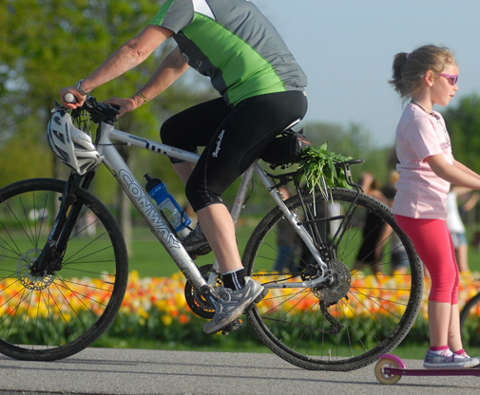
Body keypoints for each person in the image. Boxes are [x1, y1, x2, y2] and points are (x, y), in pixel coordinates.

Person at [60, 0, 308, 335]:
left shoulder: (186, 1)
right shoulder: (197, 8)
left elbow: (136, 50)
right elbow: (179, 60)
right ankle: (209, 228)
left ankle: (237, 286)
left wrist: (82, 88)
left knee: (204, 188)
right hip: (267, 96)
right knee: (175, 132)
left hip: (265, 97)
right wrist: (135, 101)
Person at [389, 45, 480, 368]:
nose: (456, 86)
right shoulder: (416, 119)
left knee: (450, 276)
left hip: (430, 208)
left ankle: (456, 350)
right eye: (452, 79)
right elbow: (441, 168)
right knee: (443, 274)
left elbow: (452, 163)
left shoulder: (433, 118)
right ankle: (438, 351)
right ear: (429, 78)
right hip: (418, 209)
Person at [354, 172, 391, 274]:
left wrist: (366, 181)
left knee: (357, 271)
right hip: (370, 239)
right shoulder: (376, 196)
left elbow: (359, 202)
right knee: (375, 272)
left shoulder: (377, 197)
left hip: (374, 241)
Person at [446, 186, 478, 273]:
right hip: (454, 230)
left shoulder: (450, 193)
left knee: (458, 266)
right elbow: (468, 187)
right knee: (461, 266)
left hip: (455, 230)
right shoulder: (448, 193)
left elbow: (468, 187)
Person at [272, 187, 299, 274]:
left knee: (277, 269)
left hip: (288, 243)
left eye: (283, 194)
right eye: (279, 194)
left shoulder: (291, 210)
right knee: (292, 267)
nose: (281, 196)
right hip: (283, 242)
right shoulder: (280, 210)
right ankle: (297, 277)